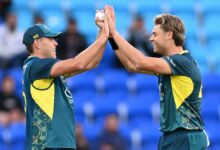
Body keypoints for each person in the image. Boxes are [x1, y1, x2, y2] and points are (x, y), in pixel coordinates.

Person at [104, 6, 209, 150]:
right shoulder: (172, 65)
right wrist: (110, 37)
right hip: (172, 137)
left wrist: (115, 33)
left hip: (185, 136)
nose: (150, 38)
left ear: (169, 35)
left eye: (155, 34)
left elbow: (139, 61)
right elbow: (132, 66)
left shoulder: (182, 61)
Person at [22, 11, 109, 150]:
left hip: (57, 144)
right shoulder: (36, 66)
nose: (55, 43)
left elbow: (91, 63)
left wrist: (103, 30)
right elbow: (78, 63)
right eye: (50, 39)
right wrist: (104, 37)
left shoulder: (45, 71)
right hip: (48, 143)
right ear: (37, 43)